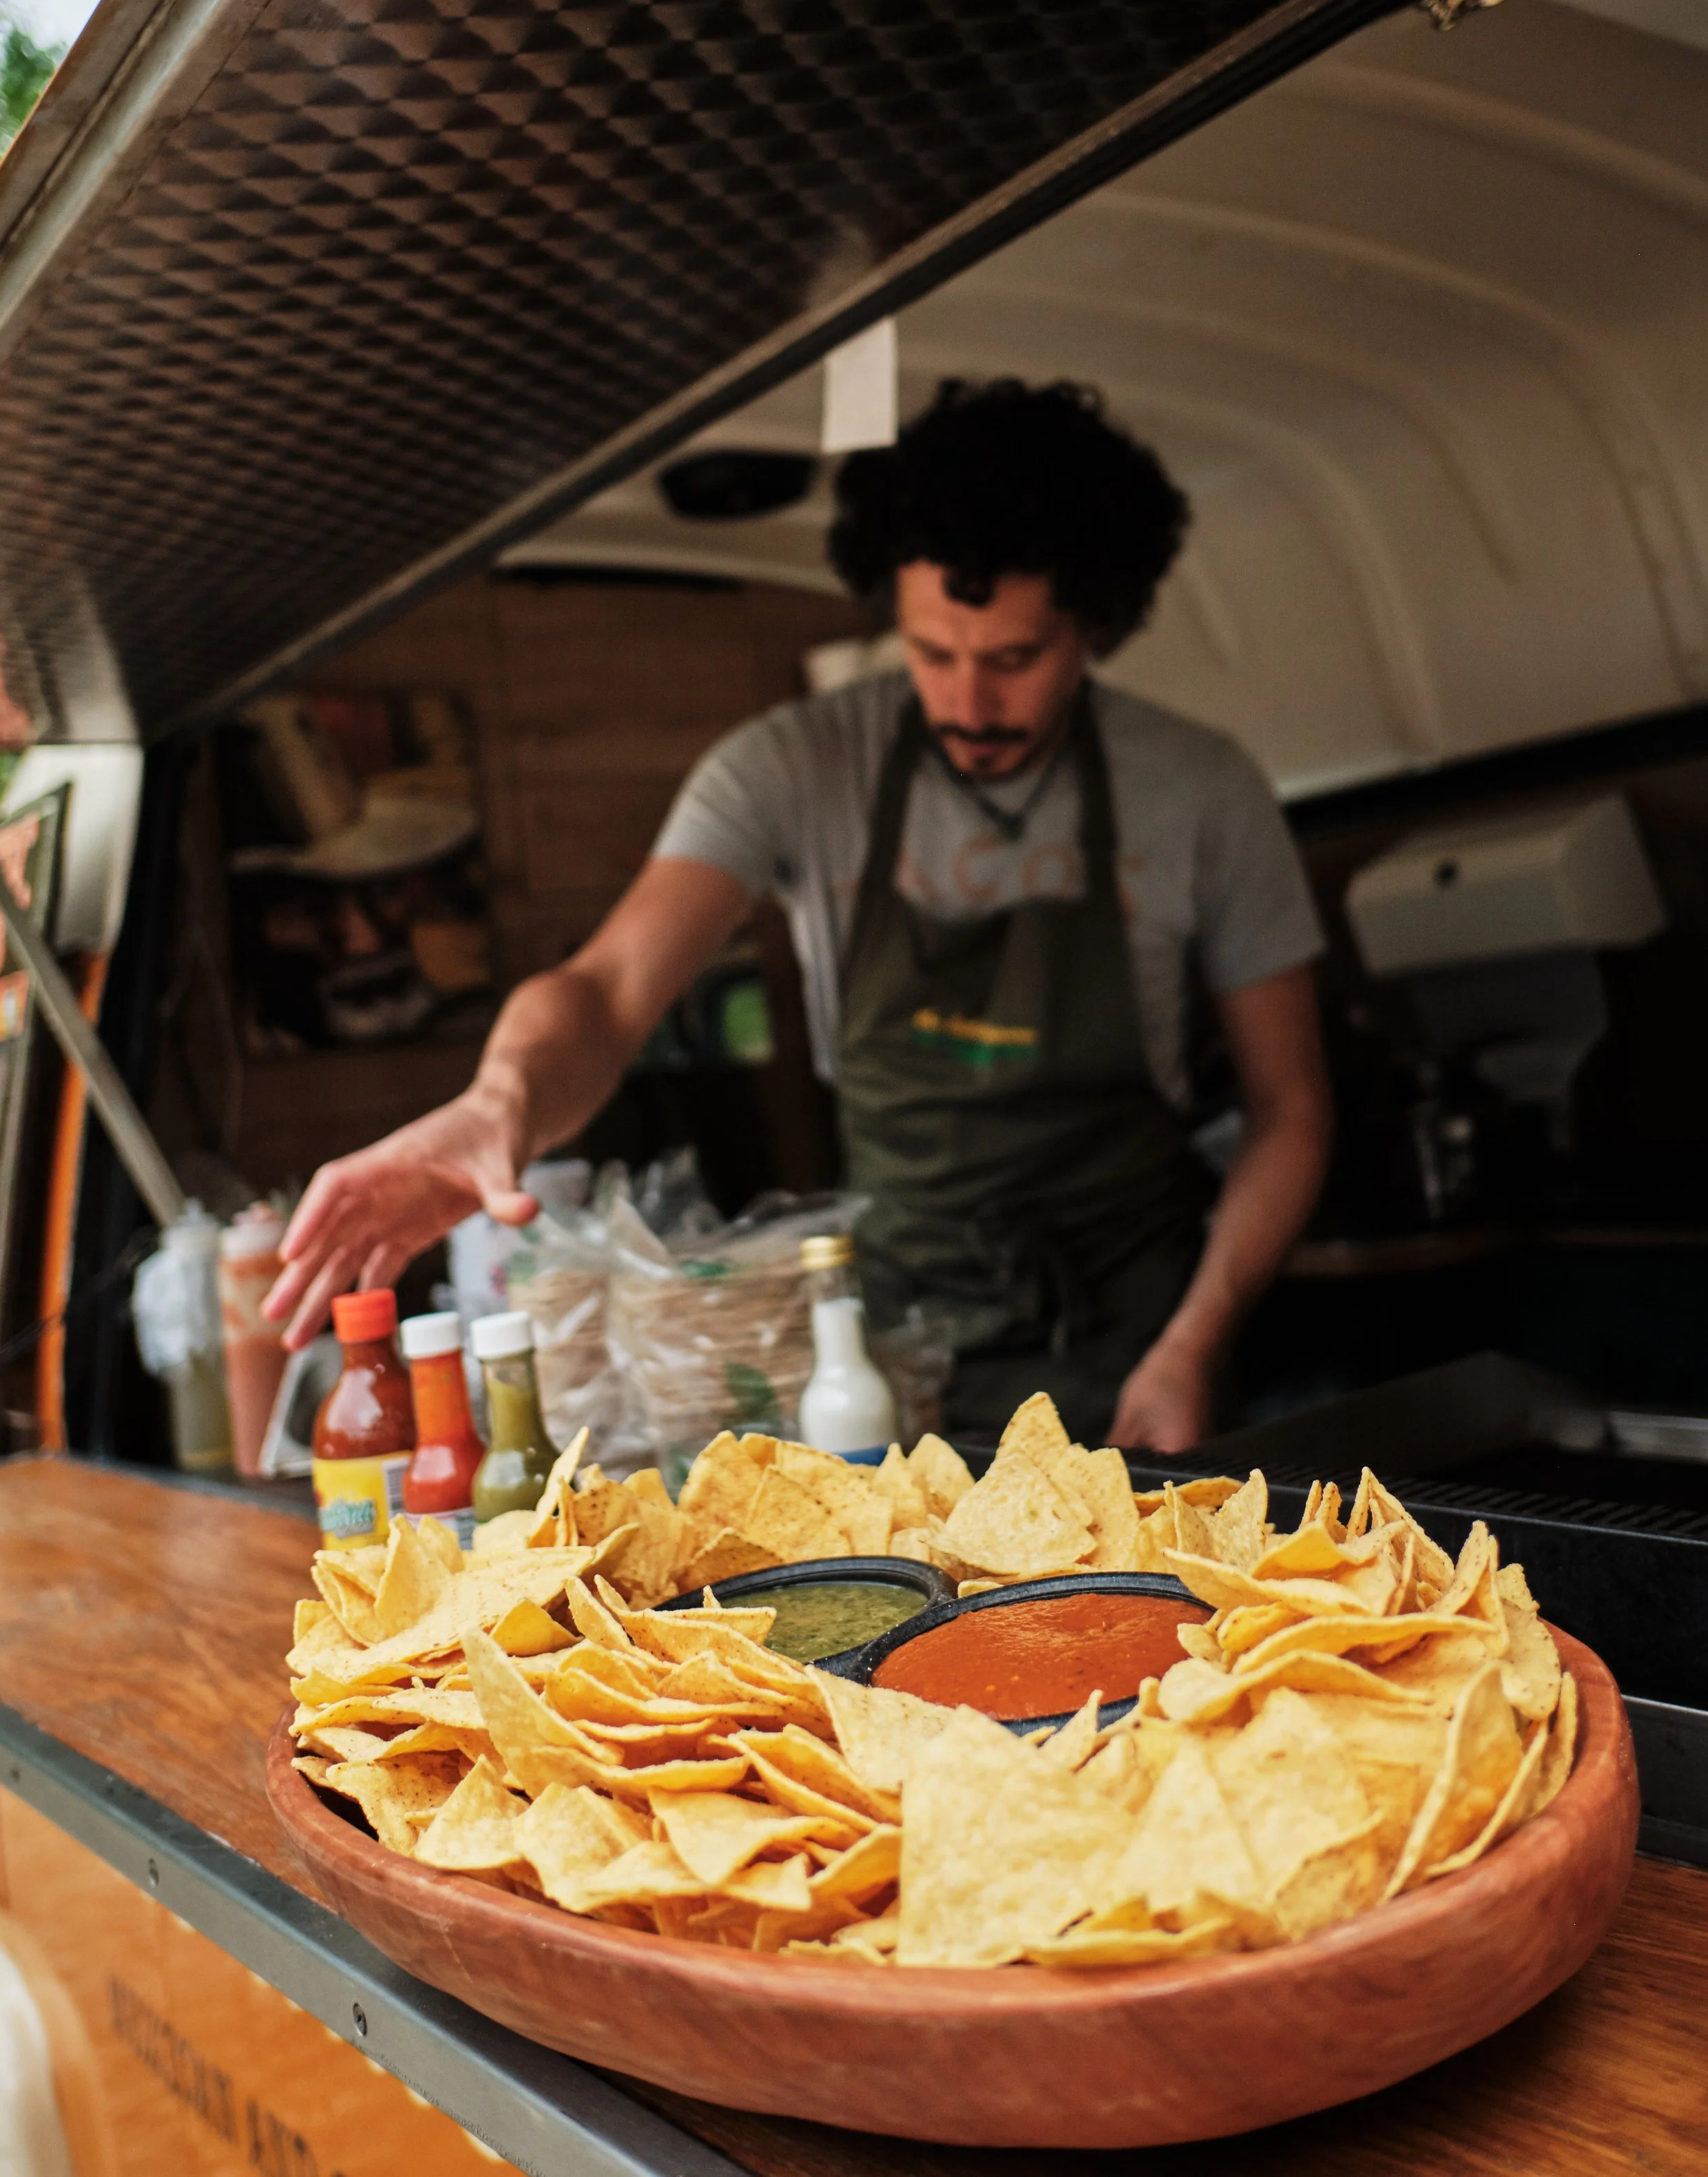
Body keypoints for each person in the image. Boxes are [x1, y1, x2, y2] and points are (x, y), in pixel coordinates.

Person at [266, 380, 1332, 1450]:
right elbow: (605, 988)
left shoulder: (1200, 790)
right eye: (932, 654)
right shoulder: (792, 767)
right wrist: (503, 1102)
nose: (969, 703)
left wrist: (1195, 1343)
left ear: (1096, 623)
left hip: (1146, 1347)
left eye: (1014, 659)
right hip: (896, 1361)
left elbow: (1290, 1106)